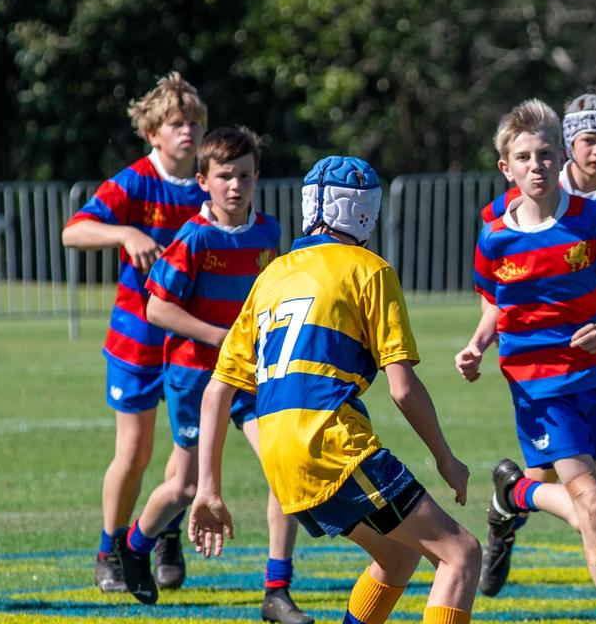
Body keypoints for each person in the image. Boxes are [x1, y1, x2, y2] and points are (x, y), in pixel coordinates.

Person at [189, 156, 481, 624]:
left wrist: (209, 488)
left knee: (397, 556)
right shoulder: (369, 269)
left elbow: (218, 390)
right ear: (365, 211)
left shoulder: (274, 275)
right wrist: (447, 460)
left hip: (279, 454)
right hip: (331, 444)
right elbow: (402, 389)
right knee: (461, 554)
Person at [455, 99, 596, 624]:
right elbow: (494, 302)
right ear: (507, 168)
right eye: (524, 157)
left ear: (559, 154)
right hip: (538, 390)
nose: (536, 165)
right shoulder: (494, 235)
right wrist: (478, 344)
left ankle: (516, 490)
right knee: (592, 509)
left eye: (545, 154)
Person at [106, 127, 313, 622]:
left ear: (257, 177)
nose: (235, 186)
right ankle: (135, 544)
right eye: (224, 176)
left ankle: (276, 590)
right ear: (203, 180)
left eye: (244, 175)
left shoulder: (268, 232)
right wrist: (218, 335)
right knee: (183, 486)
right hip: (196, 379)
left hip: (252, 378)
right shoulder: (194, 237)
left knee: (285, 471)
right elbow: (157, 308)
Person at [62, 72, 210, 594]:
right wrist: (124, 231)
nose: (187, 131)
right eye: (176, 123)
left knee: (185, 446)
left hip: (190, 337)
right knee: (135, 449)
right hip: (138, 337)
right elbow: (73, 231)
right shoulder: (132, 183)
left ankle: (165, 534)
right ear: (153, 133)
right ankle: (110, 547)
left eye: (193, 122)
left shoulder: (208, 185)